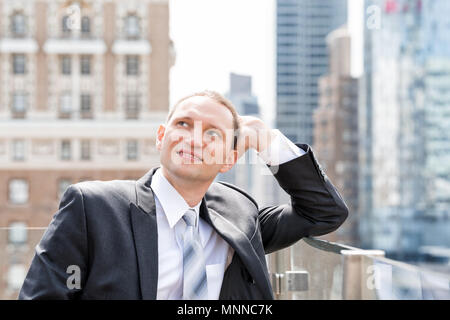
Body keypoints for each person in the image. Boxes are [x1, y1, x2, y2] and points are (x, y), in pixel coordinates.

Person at [19, 90, 348, 300]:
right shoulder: (93, 208)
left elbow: (323, 213)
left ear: (230, 159)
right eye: (184, 125)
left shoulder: (240, 213)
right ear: (161, 138)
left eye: (212, 133)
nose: (195, 139)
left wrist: (267, 140)